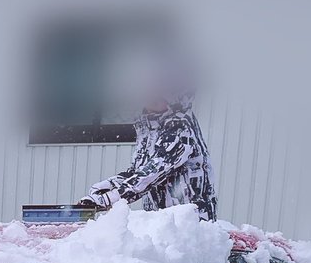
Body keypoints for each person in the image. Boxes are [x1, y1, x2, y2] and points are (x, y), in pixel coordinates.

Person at [83, 80, 217, 221]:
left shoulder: (180, 127)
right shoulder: (149, 128)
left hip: (189, 224)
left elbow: (152, 174)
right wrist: (109, 186)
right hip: (160, 221)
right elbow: (138, 172)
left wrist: (110, 198)